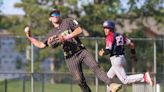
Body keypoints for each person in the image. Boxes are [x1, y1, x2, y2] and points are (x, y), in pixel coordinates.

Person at [25, 9, 122, 92]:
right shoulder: (52, 33)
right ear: (50, 19)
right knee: (79, 80)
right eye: (53, 15)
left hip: (81, 50)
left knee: (95, 66)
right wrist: (30, 37)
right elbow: (41, 45)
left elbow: (79, 30)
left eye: (57, 14)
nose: (56, 16)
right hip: (70, 57)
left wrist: (66, 37)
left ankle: (111, 84)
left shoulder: (67, 21)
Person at [98, 20, 153, 91]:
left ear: (111, 29)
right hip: (122, 59)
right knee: (108, 78)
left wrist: (103, 53)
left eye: (107, 28)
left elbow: (108, 50)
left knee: (125, 80)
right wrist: (133, 54)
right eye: (104, 28)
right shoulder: (120, 36)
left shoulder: (109, 36)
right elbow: (131, 44)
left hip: (116, 60)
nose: (105, 30)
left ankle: (143, 77)